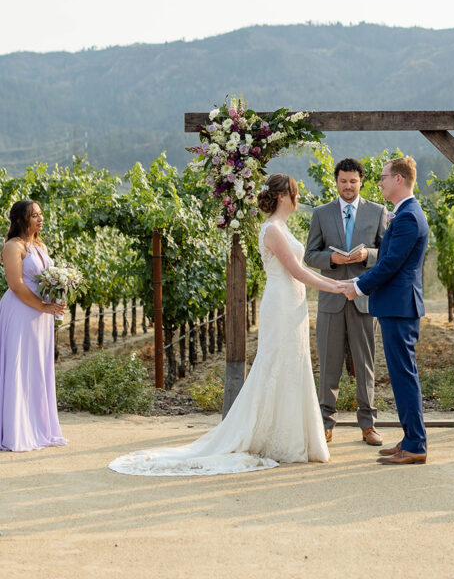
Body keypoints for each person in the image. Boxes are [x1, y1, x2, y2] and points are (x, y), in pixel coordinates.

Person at [109, 174, 347, 476]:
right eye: (296, 192)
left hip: (293, 302)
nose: (299, 197)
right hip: (281, 302)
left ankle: (292, 436)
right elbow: (297, 271)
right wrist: (336, 287)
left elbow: (300, 272)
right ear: (285, 196)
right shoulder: (272, 229)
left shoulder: (282, 227)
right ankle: (274, 438)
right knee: (276, 363)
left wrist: (338, 283)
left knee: (294, 363)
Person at [340, 156, 429, 465]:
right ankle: (409, 439)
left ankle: (416, 445)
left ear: (399, 180)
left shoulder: (407, 217)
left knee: (404, 377)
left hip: (399, 307)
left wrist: (358, 286)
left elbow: (390, 264)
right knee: (402, 375)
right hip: (397, 306)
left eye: (383, 177)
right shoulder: (405, 214)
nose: (379, 182)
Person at [304, 157, 388, 446]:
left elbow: (387, 252)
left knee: (365, 364)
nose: (348, 186)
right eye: (343, 181)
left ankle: (368, 424)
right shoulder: (321, 213)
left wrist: (368, 256)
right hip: (331, 299)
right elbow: (309, 255)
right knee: (328, 364)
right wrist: (332, 259)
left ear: (361, 181)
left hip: (364, 299)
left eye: (353, 181)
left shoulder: (378, 212)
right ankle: (325, 423)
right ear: (336, 182)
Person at [0, 200, 67, 452]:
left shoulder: (40, 245)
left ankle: (38, 427)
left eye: (41, 214)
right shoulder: (12, 247)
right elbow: (16, 285)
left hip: (41, 315)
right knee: (19, 366)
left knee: (37, 368)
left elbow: (47, 280)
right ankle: (18, 431)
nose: (41, 219)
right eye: (34, 215)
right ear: (21, 220)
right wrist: (43, 306)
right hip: (20, 312)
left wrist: (57, 299)